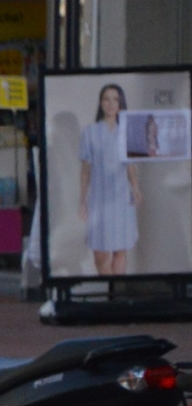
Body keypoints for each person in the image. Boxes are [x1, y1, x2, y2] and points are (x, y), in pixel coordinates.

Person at [80, 81, 142, 277]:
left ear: (120, 103)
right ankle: (109, 285)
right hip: (99, 197)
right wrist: (82, 200)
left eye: (115, 99)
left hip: (121, 196)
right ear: (100, 103)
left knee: (120, 248)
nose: (111, 104)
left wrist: (136, 188)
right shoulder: (90, 132)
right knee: (100, 251)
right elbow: (86, 169)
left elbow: (130, 164)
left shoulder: (127, 130)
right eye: (106, 99)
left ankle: (114, 294)